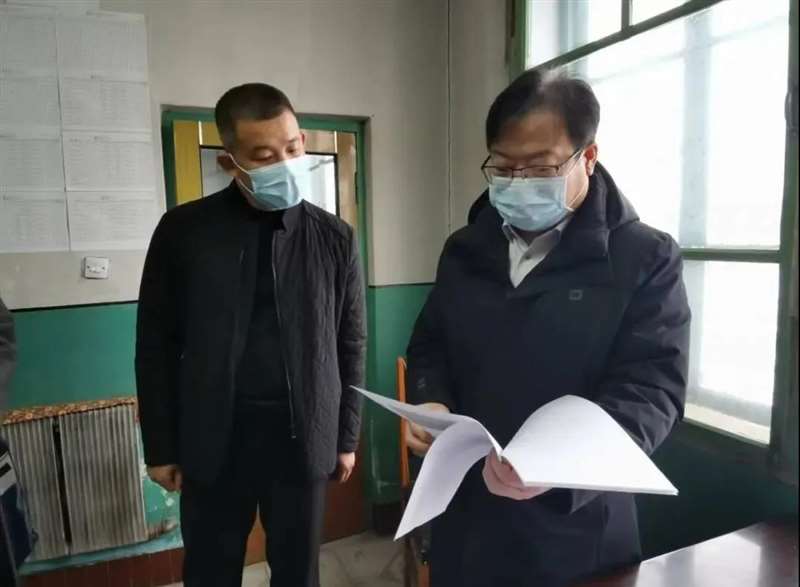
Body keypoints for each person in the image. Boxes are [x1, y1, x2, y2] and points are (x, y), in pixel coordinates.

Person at [405, 68, 691, 586]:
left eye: (539, 167)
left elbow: (651, 391)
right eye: (503, 167)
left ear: (589, 157)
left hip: (575, 530)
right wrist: (431, 399)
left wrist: (559, 466)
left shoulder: (643, 258)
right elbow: (431, 343)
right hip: (467, 516)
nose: (518, 183)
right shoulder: (466, 249)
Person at [136, 83, 366, 587]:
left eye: (293, 147)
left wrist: (346, 437)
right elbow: (155, 345)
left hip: (301, 435)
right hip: (214, 437)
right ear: (230, 162)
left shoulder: (334, 238)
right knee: (210, 571)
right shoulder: (183, 233)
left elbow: (350, 344)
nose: (285, 163)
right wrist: (161, 445)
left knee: (298, 572)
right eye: (264, 156)